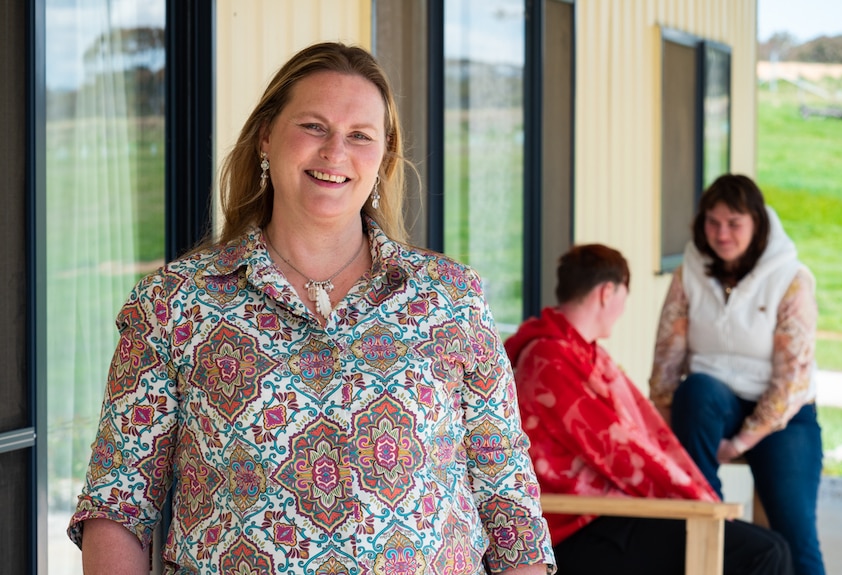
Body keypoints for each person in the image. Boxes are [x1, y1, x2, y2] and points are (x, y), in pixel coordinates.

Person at [67, 42, 555, 575]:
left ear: (383, 159)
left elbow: (508, 501)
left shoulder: (451, 299)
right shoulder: (175, 304)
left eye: (360, 136)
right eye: (314, 127)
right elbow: (118, 503)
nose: (335, 152)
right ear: (266, 138)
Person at [506, 243, 792, 575]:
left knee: (770, 547)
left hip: (608, 512)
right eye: (625, 296)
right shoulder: (550, 360)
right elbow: (621, 451)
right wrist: (700, 501)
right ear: (607, 292)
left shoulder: (578, 353)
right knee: (764, 553)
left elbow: (646, 436)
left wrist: (701, 497)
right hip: (575, 525)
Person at [650, 173, 824, 575]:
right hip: (713, 404)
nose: (721, 233)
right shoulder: (689, 272)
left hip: (783, 416)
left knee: (795, 533)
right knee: (695, 390)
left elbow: (791, 378)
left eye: (734, 223)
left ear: (756, 224)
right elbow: (667, 355)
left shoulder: (790, 278)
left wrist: (742, 441)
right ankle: (711, 509)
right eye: (712, 222)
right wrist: (661, 422)